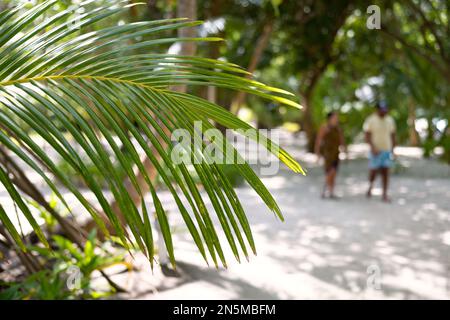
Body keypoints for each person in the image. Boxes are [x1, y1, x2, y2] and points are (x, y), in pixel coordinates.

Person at [363, 101, 396, 202]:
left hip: (386, 150)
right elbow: (367, 136)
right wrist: (372, 147)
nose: (384, 112)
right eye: (382, 110)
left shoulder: (390, 120)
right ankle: (370, 186)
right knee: (373, 171)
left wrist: (393, 150)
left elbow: (393, 135)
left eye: (385, 110)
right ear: (377, 110)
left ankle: (384, 194)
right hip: (375, 151)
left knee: (386, 171)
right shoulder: (371, 120)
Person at [315, 111, 346, 199]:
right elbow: (318, 141)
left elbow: (342, 140)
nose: (336, 119)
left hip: (336, 153)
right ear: (329, 119)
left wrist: (345, 151)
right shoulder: (324, 128)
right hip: (327, 154)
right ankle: (328, 190)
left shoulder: (338, 129)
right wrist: (317, 154)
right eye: (334, 118)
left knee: (334, 173)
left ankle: (330, 191)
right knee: (330, 172)